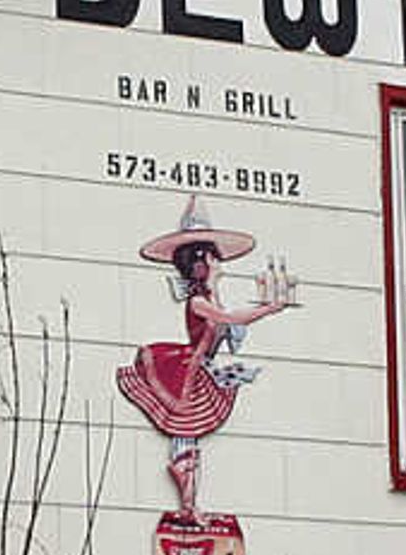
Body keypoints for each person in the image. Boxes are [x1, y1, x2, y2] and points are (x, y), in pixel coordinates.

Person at [118, 200, 299, 517]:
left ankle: (190, 502)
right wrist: (270, 308)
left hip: (203, 367)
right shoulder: (199, 302)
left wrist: (227, 293)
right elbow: (230, 319)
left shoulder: (210, 296)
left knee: (191, 432)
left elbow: (227, 328)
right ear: (200, 263)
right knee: (185, 427)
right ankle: (188, 501)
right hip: (187, 368)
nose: (218, 263)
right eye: (212, 258)